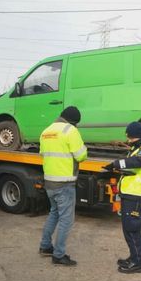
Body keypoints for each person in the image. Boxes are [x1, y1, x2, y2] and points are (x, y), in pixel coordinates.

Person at [103, 122, 141, 273]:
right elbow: (135, 166)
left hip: (138, 194)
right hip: (131, 192)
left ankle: (137, 263)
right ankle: (133, 257)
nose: (129, 141)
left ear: (136, 135)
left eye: (130, 138)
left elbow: (137, 161)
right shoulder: (140, 147)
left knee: (132, 228)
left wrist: (117, 163)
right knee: (128, 227)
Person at [38, 106, 88, 266]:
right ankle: (58, 255)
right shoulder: (70, 131)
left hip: (49, 182)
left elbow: (43, 153)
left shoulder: (46, 131)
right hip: (64, 183)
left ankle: (45, 246)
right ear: (74, 121)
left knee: (54, 213)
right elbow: (81, 156)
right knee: (67, 220)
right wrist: (85, 149)